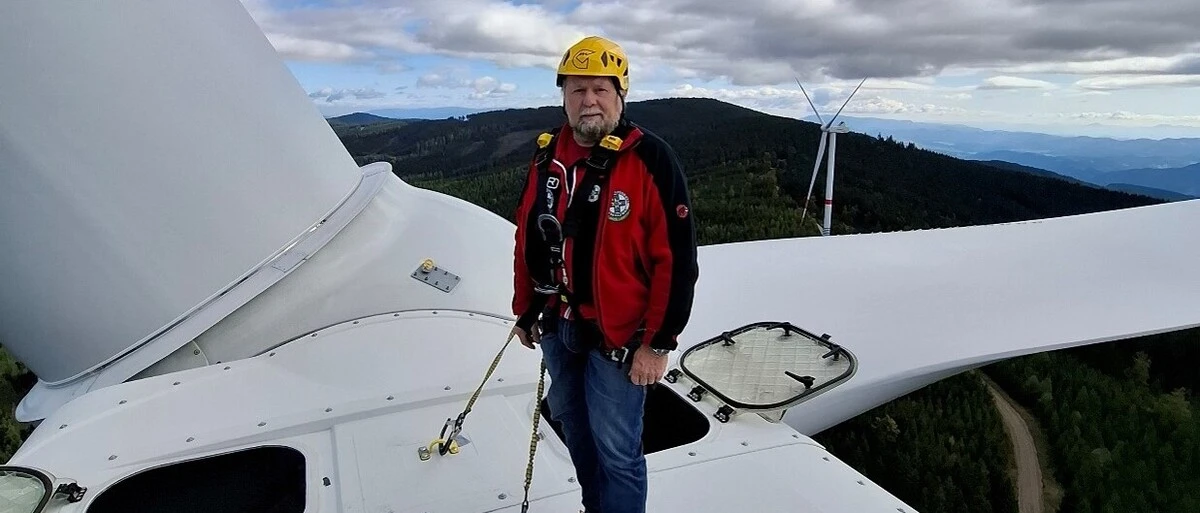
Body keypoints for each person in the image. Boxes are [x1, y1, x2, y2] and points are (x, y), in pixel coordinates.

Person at [509, 35, 699, 513]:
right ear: (564, 97)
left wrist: (658, 344)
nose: (588, 100)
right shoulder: (547, 156)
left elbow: (676, 260)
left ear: (621, 94)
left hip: (620, 338)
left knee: (617, 450)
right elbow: (528, 236)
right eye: (577, 89)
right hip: (558, 325)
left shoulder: (650, 159)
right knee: (575, 429)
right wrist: (525, 309)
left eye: (600, 89)